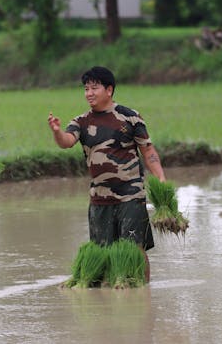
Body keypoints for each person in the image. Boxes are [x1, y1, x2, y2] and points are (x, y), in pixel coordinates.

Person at [47, 66, 166, 282]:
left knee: (134, 248)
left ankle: (143, 292)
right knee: (102, 252)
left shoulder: (130, 117)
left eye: (94, 88)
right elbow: (66, 142)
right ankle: (115, 291)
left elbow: (148, 151)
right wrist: (57, 132)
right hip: (99, 198)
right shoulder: (81, 122)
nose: (89, 93)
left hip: (131, 195)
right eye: (86, 89)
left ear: (109, 90)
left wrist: (161, 179)